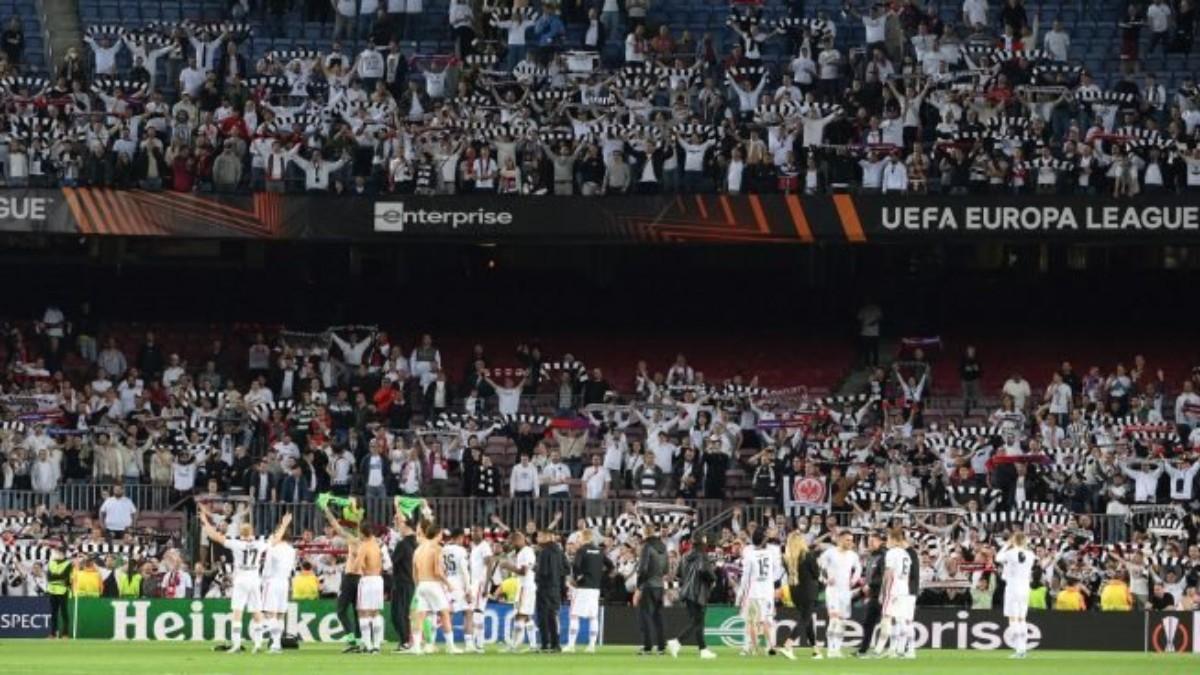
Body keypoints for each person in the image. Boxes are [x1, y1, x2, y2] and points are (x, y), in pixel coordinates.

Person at [198, 503, 291, 653]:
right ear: (252, 532)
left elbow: (214, 536)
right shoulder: (260, 544)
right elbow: (276, 539)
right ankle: (258, 644)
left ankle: (236, 645)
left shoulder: (237, 544)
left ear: (241, 533)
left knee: (237, 612)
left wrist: (204, 521)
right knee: (257, 612)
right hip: (254, 580)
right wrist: (284, 524)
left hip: (241, 580)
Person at [408, 521, 462, 654]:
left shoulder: (418, 549)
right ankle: (451, 647)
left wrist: (418, 586)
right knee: (444, 614)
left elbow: (414, 572)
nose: (442, 536)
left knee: (420, 616)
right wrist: (448, 584)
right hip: (433, 584)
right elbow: (437, 572)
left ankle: (416, 647)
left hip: (421, 585)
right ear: (437, 534)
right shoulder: (437, 548)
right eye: (441, 534)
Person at [666, 531, 718, 659]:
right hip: (698, 592)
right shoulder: (702, 555)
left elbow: (678, 574)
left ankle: (703, 650)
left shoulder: (685, 555)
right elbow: (704, 570)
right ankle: (676, 642)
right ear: (702, 542)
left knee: (697, 621)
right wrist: (713, 578)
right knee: (697, 622)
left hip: (687, 593)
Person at [320, 501, 364, 652]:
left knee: (341, 610)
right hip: (361, 578)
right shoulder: (368, 542)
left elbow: (336, 526)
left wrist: (326, 509)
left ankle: (352, 641)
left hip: (350, 577)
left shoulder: (354, 540)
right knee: (357, 612)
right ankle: (359, 641)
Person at [736, 528, 782, 656]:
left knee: (751, 621)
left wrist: (740, 594)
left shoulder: (748, 553)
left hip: (753, 592)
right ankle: (770, 646)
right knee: (767, 620)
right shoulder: (772, 552)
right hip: (767, 592)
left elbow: (745, 577)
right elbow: (777, 572)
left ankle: (750, 648)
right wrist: (770, 582)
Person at [818, 530, 861, 658]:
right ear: (840, 539)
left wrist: (854, 580)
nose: (850, 542)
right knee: (834, 620)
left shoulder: (853, 555)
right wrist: (825, 580)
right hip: (833, 591)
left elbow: (858, 569)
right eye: (847, 540)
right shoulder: (830, 553)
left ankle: (837, 648)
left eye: (851, 540)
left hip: (845, 592)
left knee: (842, 622)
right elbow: (819, 569)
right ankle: (831, 649)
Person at [875, 529, 917, 658]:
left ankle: (877, 650)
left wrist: (883, 592)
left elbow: (888, 574)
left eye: (888, 539)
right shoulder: (906, 554)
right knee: (902, 621)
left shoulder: (891, 553)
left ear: (894, 539)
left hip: (893, 589)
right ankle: (908, 651)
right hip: (904, 589)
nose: (887, 542)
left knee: (886, 618)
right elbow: (907, 576)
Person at [779, 531, 820, 660]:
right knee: (805, 619)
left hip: (795, 591)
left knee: (807, 619)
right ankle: (788, 644)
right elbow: (816, 574)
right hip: (808, 591)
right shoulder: (808, 555)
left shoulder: (786, 558)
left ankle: (816, 650)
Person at [995, 530, 1036, 659]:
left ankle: (1019, 649)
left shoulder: (1010, 553)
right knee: (1022, 618)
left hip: (1013, 587)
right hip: (1025, 588)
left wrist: (1007, 545)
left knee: (1013, 618)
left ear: (1014, 540)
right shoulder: (1031, 554)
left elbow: (997, 558)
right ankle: (1023, 648)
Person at [260, 515, 297, 653]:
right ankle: (276, 644)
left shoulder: (273, 547)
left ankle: (266, 630)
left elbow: (267, 565)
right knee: (280, 615)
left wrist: (282, 525)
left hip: (272, 581)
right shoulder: (292, 550)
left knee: (270, 614)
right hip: (284, 583)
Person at [565, 528, 605, 653]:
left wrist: (578, 578)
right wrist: (599, 576)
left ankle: (571, 645)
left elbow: (576, 565)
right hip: (595, 588)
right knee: (593, 617)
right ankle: (591, 646)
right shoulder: (599, 551)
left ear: (582, 538)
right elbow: (610, 565)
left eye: (578, 538)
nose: (577, 540)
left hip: (582, 588)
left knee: (574, 615)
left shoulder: (581, 550)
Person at [500, 530, 539, 652]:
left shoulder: (525, 552)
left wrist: (508, 566)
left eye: (513, 542)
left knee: (520, 616)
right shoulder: (526, 551)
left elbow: (523, 571)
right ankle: (533, 645)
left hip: (525, 587)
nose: (512, 544)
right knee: (526, 617)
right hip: (526, 586)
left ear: (519, 540)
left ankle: (513, 645)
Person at [634, 523, 668, 655]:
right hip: (659, 586)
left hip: (648, 586)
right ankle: (661, 647)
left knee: (645, 617)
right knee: (658, 617)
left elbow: (642, 569)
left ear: (645, 533)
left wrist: (638, 588)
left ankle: (647, 647)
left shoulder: (647, 547)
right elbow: (666, 569)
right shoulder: (663, 547)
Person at [354, 521, 386, 654]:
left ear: (362, 533)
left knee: (363, 612)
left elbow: (356, 566)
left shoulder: (364, 546)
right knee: (376, 612)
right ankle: (377, 645)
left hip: (367, 580)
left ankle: (368, 645)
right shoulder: (377, 545)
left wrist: (356, 558)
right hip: (378, 579)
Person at [535, 530, 569, 652]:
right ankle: (556, 644)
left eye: (540, 536)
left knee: (543, 617)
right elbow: (567, 569)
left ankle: (545, 644)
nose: (537, 538)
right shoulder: (560, 551)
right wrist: (557, 577)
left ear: (547, 537)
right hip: (556, 589)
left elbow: (542, 572)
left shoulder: (544, 552)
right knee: (553, 617)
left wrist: (535, 573)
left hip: (544, 588)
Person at [390, 510, 418, 652]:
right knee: (408, 614)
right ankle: (409, 641)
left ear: (405, 524)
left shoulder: (402, 544)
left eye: (397, 521)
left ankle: (405, 641)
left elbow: (392, 562)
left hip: (401, 583)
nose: (395, 524)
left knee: (398, 614)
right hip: (413, 582)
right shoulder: (417, 542)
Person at [467, 526, 495, 652]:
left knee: (478, 612)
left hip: (481, 583)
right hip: (475, 583)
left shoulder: (484, 546)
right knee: (475, 612)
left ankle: (480, 644)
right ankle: (477, 642)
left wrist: (486, 585)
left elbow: (489, 564)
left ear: (482, 533)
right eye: (472, 531)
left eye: (477, 531)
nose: (474, 533)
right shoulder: (474, 547)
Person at [46, 547, 74, 638]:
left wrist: (55, 577)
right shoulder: (51, 562)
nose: (56, 554)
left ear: (63, 554)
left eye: (58, 553)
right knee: (53, 613)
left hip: (63, 591)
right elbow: (49, 577)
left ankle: (65, 633)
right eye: (56, 552)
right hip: (52, 590)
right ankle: (52, 633)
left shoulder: (68, 564)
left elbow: (64, 577)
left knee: (64, 613)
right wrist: (58, 577)